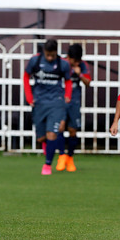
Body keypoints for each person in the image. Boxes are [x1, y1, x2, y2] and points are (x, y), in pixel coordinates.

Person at [23, 39, 72, 176]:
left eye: (52, 55)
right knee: (41, 138)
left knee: (52, 133)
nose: (50, 58)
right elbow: (26, 76)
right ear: (44, 52)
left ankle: (47, 164)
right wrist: (29, 96)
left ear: (56, 52)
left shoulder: (63, 64)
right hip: (39, 102)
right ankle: (48, 151)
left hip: (56, 102)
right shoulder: (35, 61)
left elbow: (68, 80)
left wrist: (67, 95)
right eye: (48, 55)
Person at [57, 44, 91, 172]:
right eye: (74, 60)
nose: (76, 63)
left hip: (74, 101)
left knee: (72, 130)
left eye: (78, 60)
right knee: (60, 127)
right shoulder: (61, 63)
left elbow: (88, 83)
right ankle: (61, 156)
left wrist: (80, 74)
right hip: (61, 99)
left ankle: (70, 158)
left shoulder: (82, 65)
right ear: (68, 57)